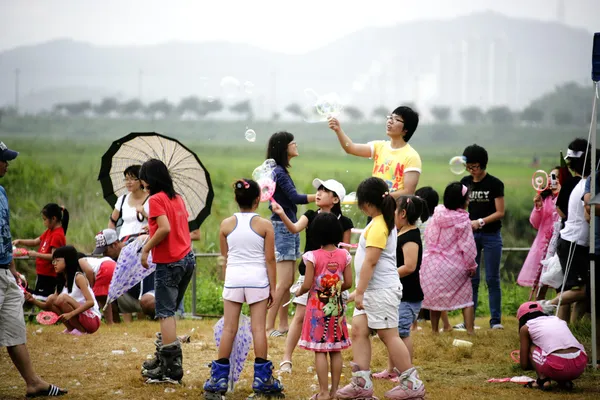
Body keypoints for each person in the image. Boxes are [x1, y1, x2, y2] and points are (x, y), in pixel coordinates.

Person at [336, 177, 425, 400]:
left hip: (380, 291)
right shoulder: (379, 222)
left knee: (388, 335)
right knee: (358, 330)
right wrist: (360, 292)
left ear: (366, 203)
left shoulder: (379, 225)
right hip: (372, 291)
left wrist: (360, 292)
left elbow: (370, 262)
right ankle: (361, 384)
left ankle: (411, 384)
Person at [204, 179, 283, 398]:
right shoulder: (265, 225)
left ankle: (218, 379)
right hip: (258, 280)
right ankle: (262, 379)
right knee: (259, 328)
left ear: (236, 199)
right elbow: (270, 260)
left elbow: (225, 255)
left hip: (234, 279)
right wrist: (273, 288)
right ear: (258, 200)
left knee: (230, 327)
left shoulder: (226, 225)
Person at [0, 141, 68, 397]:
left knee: (14, 328)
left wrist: (13, 265)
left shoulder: (2, 192)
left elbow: (4, 233)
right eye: (4, 159)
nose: (7, 164)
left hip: (6, 271)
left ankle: (32, 382)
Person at [274, 178, 353, 374]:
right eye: (318, 189)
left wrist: (337, 285)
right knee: (300, 317)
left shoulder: (344, 222)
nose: (318, 193)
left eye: (325, 191)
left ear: (335, 199)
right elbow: (294, 228)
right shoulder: (310, 215)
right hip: (308, 277)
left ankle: (323, 356)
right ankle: (286, 359)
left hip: (332, 281)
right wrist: (282, 213)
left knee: (331, 319)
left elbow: (344, 252)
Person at [139, 159, 196, 384]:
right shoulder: (177, 197)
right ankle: (163, 358)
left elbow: (165, 228)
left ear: (149, 179)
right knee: (169, 311)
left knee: (165, 313)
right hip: (187, 259)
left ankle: (171, 369)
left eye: (143, 178)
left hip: (170, 262)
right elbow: (174, 226)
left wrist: (146, 248)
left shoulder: (155, 199)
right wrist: (150, 228)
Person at [295, 212, 352, 400]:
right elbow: (349, 283)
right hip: (336, 306)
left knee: (320, 350)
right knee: (335, 348)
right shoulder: (345, 254)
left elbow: (308, 282)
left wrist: (299, 292)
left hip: (317, 308)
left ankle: (323, 392)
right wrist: (334, 288)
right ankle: (336, 392)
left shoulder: (312, 256)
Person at [265, 131, 316, 338]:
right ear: (283, 147)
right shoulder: (279, 172)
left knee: (290, 279)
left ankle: (283, 325)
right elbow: (295, 197)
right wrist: (321, 196)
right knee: (284, 282)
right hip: (282, 227)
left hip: (288, 225)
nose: (295, 144)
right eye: (291, 142)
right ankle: (268, 326)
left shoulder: (280, 171)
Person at [374, 195, 429, 382]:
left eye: (393, 211)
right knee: (393, 333)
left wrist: (387, 275)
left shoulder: (411, 236)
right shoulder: (400, 232)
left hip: (409, 296)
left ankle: (406, 371)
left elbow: (410, 266)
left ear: (403, 213)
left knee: (402, 334)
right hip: (398, 294)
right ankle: (392, 369)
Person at [539, 139, 592, 322]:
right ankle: (546, 307)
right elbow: (580, 214)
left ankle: (569, 329)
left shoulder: (574, 184)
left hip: (568, 238)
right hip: (574, 241)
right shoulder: (583, 185)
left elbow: (561, 210)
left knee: (569, 289)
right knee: (581, 290)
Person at [457, 144, 505, 330]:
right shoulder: (465, 182)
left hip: (491, 234)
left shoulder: (494, 183)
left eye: (474, 166)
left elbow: (500, 212)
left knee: (492, 278)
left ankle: (496, 321)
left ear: (482, 165)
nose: (471, 170)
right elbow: (461, 208)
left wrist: (480, 222)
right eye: (468, 166)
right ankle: (470, 321)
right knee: (472, 278)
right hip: (471, 236)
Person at [420, 183, 478, 335]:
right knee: (467, 298)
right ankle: (470, 331)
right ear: (461, 201)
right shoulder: (463, 220)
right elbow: (468, 247)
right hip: (454, 266)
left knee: (434, 300)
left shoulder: (437, 214)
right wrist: (471, 266)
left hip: (432, 265)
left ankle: (434, 331)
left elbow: (428, 236)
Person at [328, 106, 421, 197]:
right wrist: (338, 130)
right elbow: (350, 148)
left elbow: (408, 192)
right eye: (390, 117)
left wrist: (382, 199)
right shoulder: (379, 147)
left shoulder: (411, 156)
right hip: (376, 209)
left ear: (406, 129)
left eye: (396, 119)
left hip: (395, 210)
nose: (390, 121)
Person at [25, 245, 102, 335]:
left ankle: (81, 331)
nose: (54, 263)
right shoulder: (61, 281)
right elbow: (49, 305)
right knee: (51, 298)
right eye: (53, 261)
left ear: (68, 261)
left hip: (92, 319)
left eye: (57, 261)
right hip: (78, 315)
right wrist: (33, 300)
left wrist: (71, 314)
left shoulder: (78, 277)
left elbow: (90, 302)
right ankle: (71, 329)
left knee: (62, 298)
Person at [517, 301, 587, 391]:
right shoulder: (557, 320)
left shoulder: (526, 327)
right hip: (579, 365)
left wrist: (535, 365)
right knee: (556, 349)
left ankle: (543, 380)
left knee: (532, 348)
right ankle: (564, 381)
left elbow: (524, 364)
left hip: (557, 367)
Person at [517, 167, 561, 295]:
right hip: (542, 245)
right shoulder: (545, 199)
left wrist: (560, 194)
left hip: (559, 245)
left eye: (556, 177)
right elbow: (535, 223)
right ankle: (538, 310)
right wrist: (538, 207)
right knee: (540, 285)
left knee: (559, 284)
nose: (552, 180)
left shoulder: (565, 198)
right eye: (550, 176)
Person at [13, 203, 69, 301]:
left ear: (54, 219)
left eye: (44, 219)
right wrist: (20, 241)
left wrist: (35, 254)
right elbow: (35, 241)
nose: (44, 223)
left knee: (42, 299)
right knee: (38, 297)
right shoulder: (49, 231)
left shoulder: (57, 235)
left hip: (49, 275)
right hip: (42, 273)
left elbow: (53, 256)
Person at [108, 164, 149, 241]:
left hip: (142, 242)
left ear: (141, 181)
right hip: (123, 242)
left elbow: (157, 223)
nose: (128, 182)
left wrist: (144, 213)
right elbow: (112, 221)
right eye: (126, 179)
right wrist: (113, 240)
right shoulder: (122, 199)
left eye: (132, 179)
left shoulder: (151, 199)